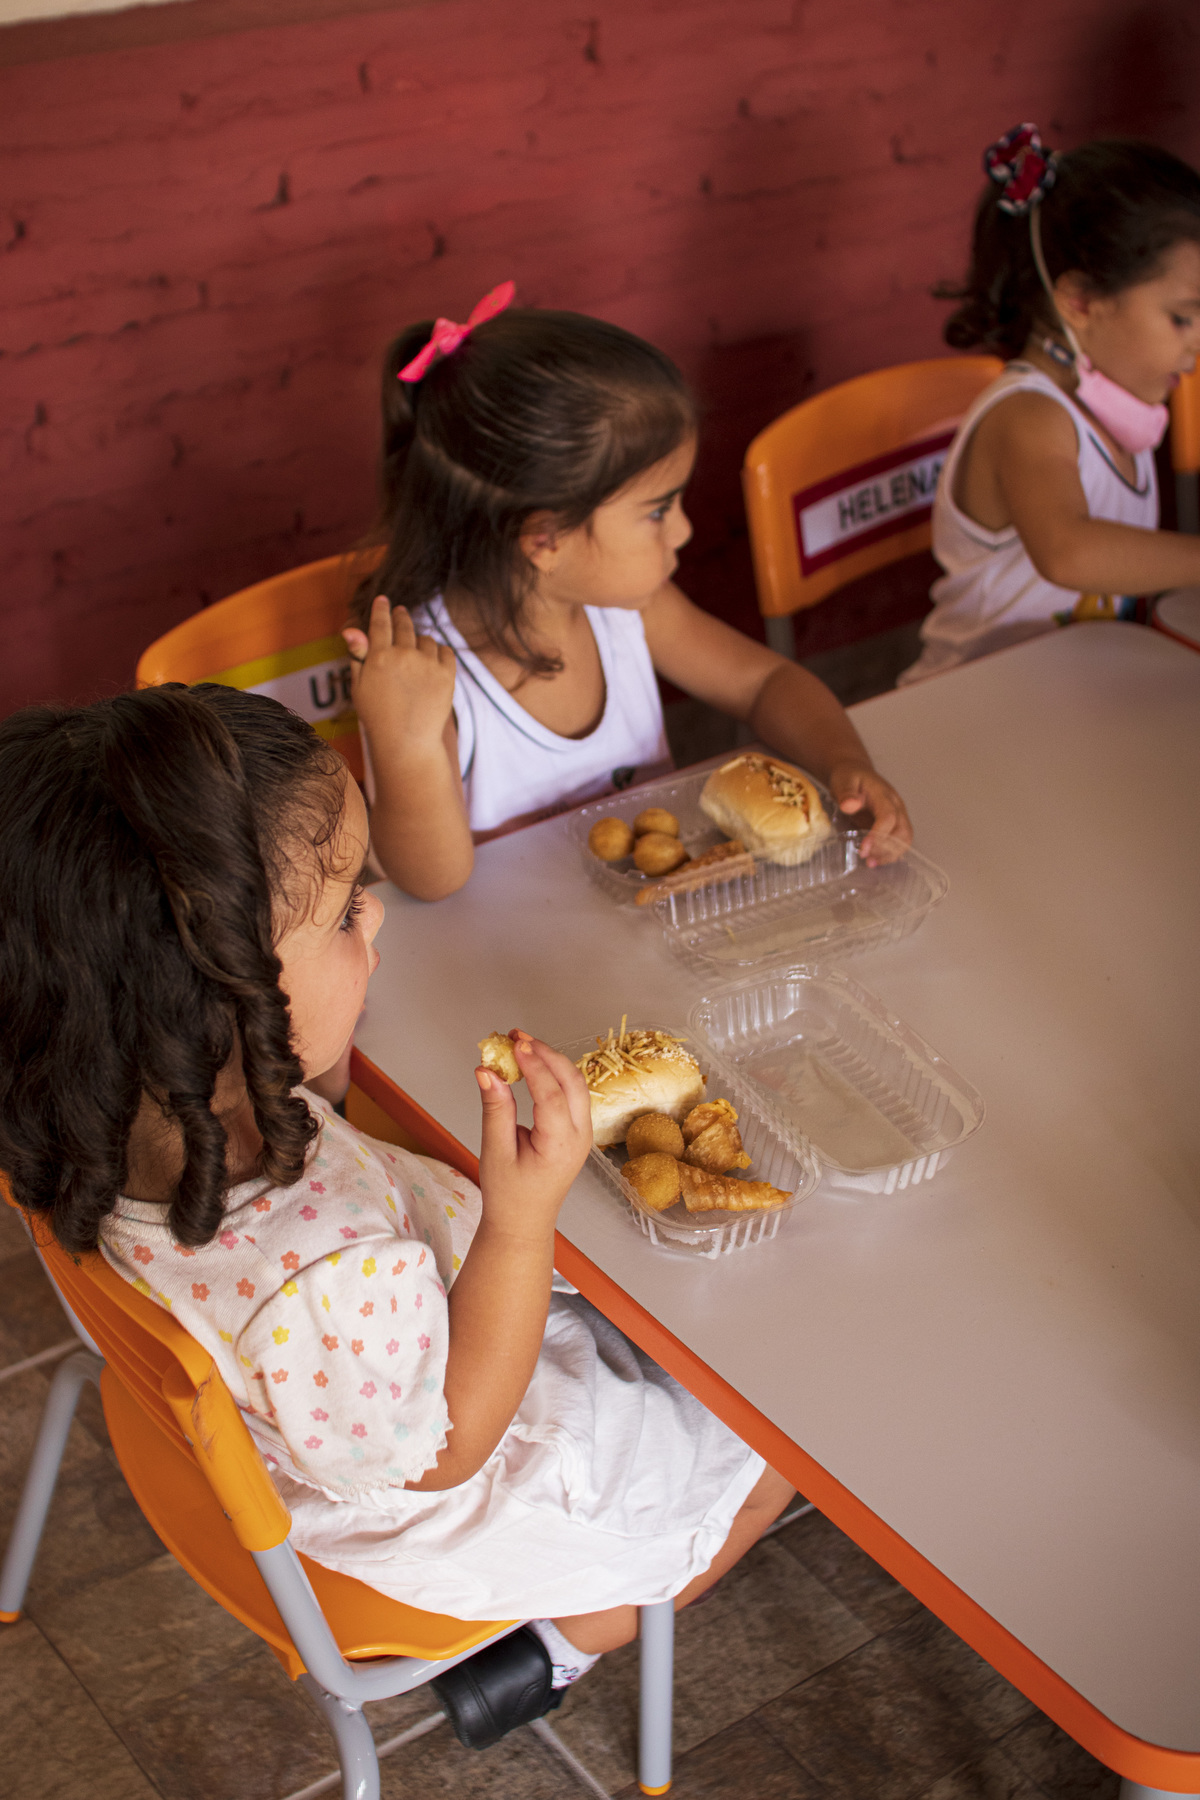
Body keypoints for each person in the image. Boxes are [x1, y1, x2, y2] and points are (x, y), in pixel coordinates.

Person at [0, 683, 795, 1740]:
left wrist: (309, 1067)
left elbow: (321, 1189)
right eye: (343, 913)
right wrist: (520, 1221)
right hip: (459, 1472)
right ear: (221, 1008)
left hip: (332, 1399)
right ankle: (568, 1642)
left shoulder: (112, 1115)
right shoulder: (321, 1274)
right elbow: (452, 1443)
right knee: (772, 1451)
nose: (374, 915)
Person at [342, 287, 910, 900]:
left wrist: (844, 761)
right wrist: (408, 745)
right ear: (545, 540)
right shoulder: (427, 677)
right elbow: (432, 881)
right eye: (658, 510)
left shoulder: (629, 610)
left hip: (657, 923)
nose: (683, 530)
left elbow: (764, 683)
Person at [900, 126, 1200, 684]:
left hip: (1067, 696)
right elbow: (1068, 552)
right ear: (1081, 301)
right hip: (971, 707)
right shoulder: (1028, 418)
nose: (1198, 341)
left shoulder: (1116, 407)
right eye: (1182, 317)